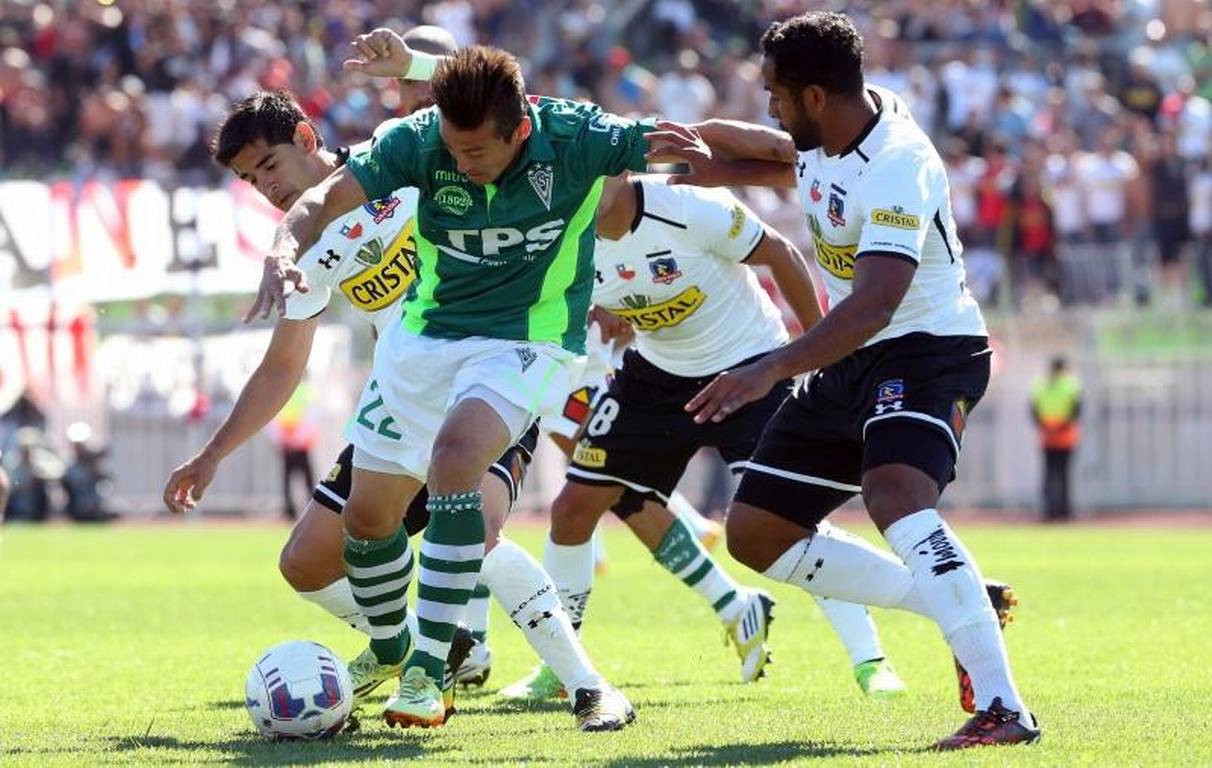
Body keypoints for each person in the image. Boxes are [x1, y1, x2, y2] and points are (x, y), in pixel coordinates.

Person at [166, 33, 630, 733]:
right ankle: (424, 648)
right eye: (250, 180)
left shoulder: (405, 158)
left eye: (270, 165)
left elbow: (502, 97)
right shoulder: (308, 249)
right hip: (407, 398)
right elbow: (284, 365)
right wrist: (212, 455)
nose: (267, 186)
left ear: (307, 137)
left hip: (496, 369)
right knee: (305, 563)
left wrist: (413, 65)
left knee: (474, 526)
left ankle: (587, 686)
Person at [647, 11, 1037, 749]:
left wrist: (768, 367)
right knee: (756, 533)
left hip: (927, 350)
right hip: (852, 356)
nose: (770, 107)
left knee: (895, 496)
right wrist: (693, 152)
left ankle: (1004, 707)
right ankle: (961, 602)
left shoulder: (898, 162)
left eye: (776, 94)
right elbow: (772, 155)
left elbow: (875, 303)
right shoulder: (833, 131)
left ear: (815, 96)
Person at [504, 173, 907, 701]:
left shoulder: (689, 206)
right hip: (656, 375)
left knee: (788, 522)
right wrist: (602, 311)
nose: (576, 183)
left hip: (750, 369)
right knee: (574, 508)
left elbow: (782, 254)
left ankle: (870, 660)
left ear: (620, 167)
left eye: (590, 166)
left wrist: (824, 355)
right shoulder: (560, 233)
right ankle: (561, 666)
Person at [1031, 356, 1082, 522]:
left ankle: (1049, 510)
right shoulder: (1071, 385)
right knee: (1064, 475)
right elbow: (1076, 411)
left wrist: (1047, 428)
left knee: (1049, 474)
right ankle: (1064, 511)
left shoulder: (1040, 385)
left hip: (1047, 436)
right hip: (1065, 436)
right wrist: (1059, 427)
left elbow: (1034, 411)